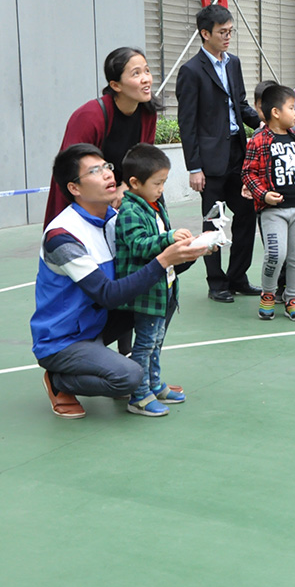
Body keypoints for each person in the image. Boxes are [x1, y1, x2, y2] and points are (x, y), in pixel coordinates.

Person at [31, 144, 209, 419]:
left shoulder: (116, 220)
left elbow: (145, 274)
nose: (106, 175)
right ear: (74, 188)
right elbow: (107, 294)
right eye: (94, 171)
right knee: (128, 378)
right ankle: (58, 381)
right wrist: (164, 259)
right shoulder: (62, 236)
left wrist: (190, 253)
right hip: (64, 339)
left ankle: (149, 380)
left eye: (106, 167)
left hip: (100, 324)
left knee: (163, 301)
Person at [176, 4, 262, 303]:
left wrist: (263, 122)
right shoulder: (190, 72)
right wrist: (194, 167)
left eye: (230, 31)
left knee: (247, 214)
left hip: (239, 155)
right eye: (222, 32)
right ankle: (216, 282)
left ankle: (238, 277)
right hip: (209, 162)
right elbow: (187, 123)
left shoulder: (233, 64)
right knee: (213, 222)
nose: (228, 37)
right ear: (205, 34)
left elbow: (240, 103)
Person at [113, 144, 190, 417]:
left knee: (156, 341)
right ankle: (139, 395)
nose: (161, 188)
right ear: (134, 183)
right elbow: (138, 245)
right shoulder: (130, 210)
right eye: (158, 183)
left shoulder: (152, 203)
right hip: (146, 291)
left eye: (164, 182)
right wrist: (169, 240)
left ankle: (154, 384)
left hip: (163, 286)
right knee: (144, 344)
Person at [44, 47, 159, 226]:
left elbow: (143, 160)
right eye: (136, 74)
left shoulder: (148, 112)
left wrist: (126, 188)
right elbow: (71, 169)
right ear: (115, 85)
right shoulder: (90, 116)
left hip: (125, 198)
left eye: (147, 70)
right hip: (85, 201)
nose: (146, 79)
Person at [243, 85, 295, 321]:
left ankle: (293, 299)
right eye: (291, 108)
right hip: (273, 211)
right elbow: (248, 173)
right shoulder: (258, 140)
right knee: (275, 254)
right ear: (276, 112)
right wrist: (263, 195)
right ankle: (268, 293)